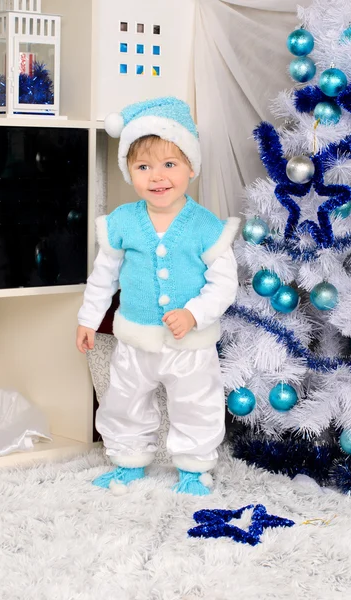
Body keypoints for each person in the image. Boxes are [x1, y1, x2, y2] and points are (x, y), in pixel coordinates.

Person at [76, 97, 240, 495]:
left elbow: (224, 284)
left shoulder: (205, 225)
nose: (158, 176)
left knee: (196, 405)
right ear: (129, 171)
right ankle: (128, 462)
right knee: (125, 402)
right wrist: (88, 318)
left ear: (190, 168)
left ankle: (193, 470)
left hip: (189, 345)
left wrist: (194, 314)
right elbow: (104, 277)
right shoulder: (122, 222)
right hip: (136, 339)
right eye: (144, 166)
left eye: (170, 164)